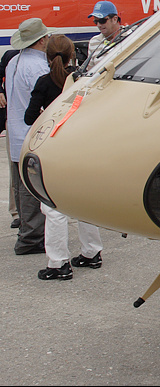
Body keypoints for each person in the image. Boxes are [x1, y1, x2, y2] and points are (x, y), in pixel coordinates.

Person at [26, 35, 103, 280]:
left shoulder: (44, 83)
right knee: (85, 202)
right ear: (73, 55)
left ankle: (58, 262)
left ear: (47, 56)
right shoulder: (84, 80)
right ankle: (92, 252)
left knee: (53, 208)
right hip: (81, 147)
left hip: (54, 150)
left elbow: (29, 118)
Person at [6, 18, 50, 255]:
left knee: (19, 184)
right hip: (29, 132)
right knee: (31, 186)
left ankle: (25, 227)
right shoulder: (37, 67)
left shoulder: (14, 61)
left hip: (14, 130)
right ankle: (31, 237)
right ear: (42, 40)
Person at [2, 47, 19, 228]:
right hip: (15, 123)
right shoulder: (11, 57)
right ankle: (16, 212)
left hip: (18, 123)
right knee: (15, 171)